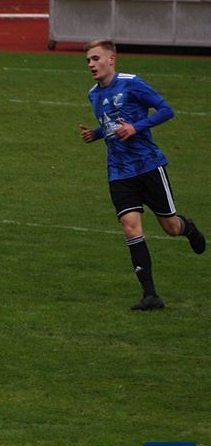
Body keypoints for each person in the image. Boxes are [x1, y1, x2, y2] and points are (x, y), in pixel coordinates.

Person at [80, 39, 205, 311]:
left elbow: (166, 110)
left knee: (170, 227)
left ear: (111, 59)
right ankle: (150, 295)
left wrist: (136, 127)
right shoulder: (93, 94)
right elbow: (110, 124)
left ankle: (188, 228)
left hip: (148, 166)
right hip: (118, 172)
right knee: (130, 227)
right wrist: (96, 134)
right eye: (88, 60)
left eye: (96, 58)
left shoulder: (132, 83)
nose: (91, 64)